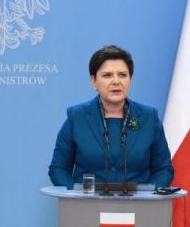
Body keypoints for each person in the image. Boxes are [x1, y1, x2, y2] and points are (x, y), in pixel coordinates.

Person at [48, 45, 173, 189]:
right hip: (86, 207)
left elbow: (164, 170)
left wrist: (148, 193)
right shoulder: (76, 118)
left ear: (130, 80)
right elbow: (58, 169)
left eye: (122, 75)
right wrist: (78, 195)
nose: (116, 81)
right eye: (107, 75)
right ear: (94, 81)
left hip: (139, 207)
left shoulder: (149, 118)